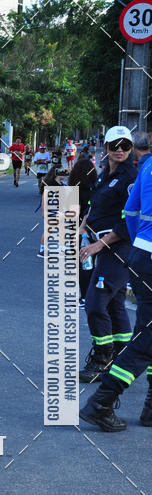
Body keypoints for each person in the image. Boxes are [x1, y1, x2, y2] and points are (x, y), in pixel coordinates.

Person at [80, 151, 152, 431]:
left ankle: (149, 409)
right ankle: (101, 402)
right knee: (146, 340)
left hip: (142, 254)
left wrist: (141, 245)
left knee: (146, 333)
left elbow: (130, 212)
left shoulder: (146, 167)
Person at [77, 126, 138, 382]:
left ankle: (103, 360)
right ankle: (122, 359)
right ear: (106, 149)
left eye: (126, 145)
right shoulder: (105, 174)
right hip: (101, 248)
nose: (121, 150)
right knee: (114, 305)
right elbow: (97, 207)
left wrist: (99, 244)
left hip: (117, 249)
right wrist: (82, 226)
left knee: (94, 303)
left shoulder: (130, 178)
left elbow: (128, 220)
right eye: (115, 146)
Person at [68, 153, 98, 305]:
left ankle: (85, 296)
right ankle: (92, 295)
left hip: (80, 230)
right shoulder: (96, 188)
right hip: (96, 230)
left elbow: (74, 213)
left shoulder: (75, 190)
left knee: (82, 263)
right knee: (93, 263)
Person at [37, 156, 67, 256]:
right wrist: (43, 212)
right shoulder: (51, 184)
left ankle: (61, 249)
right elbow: (44, 199)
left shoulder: (62, 184)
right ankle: (42, 250)